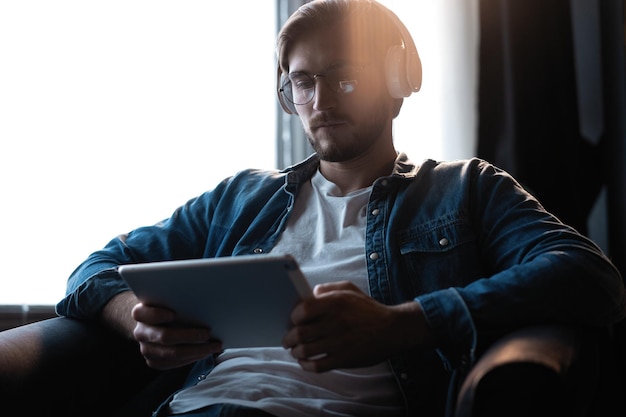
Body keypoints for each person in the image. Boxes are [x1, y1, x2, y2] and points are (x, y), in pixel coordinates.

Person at [56, 0, 626, 416]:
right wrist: (136, 319)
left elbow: (590, 277)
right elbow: (94, 270)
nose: (320, 103)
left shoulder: (466, 190)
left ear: (398, 82)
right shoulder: (240, 199)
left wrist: (403, 325)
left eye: (345, 80)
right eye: (302, 84)